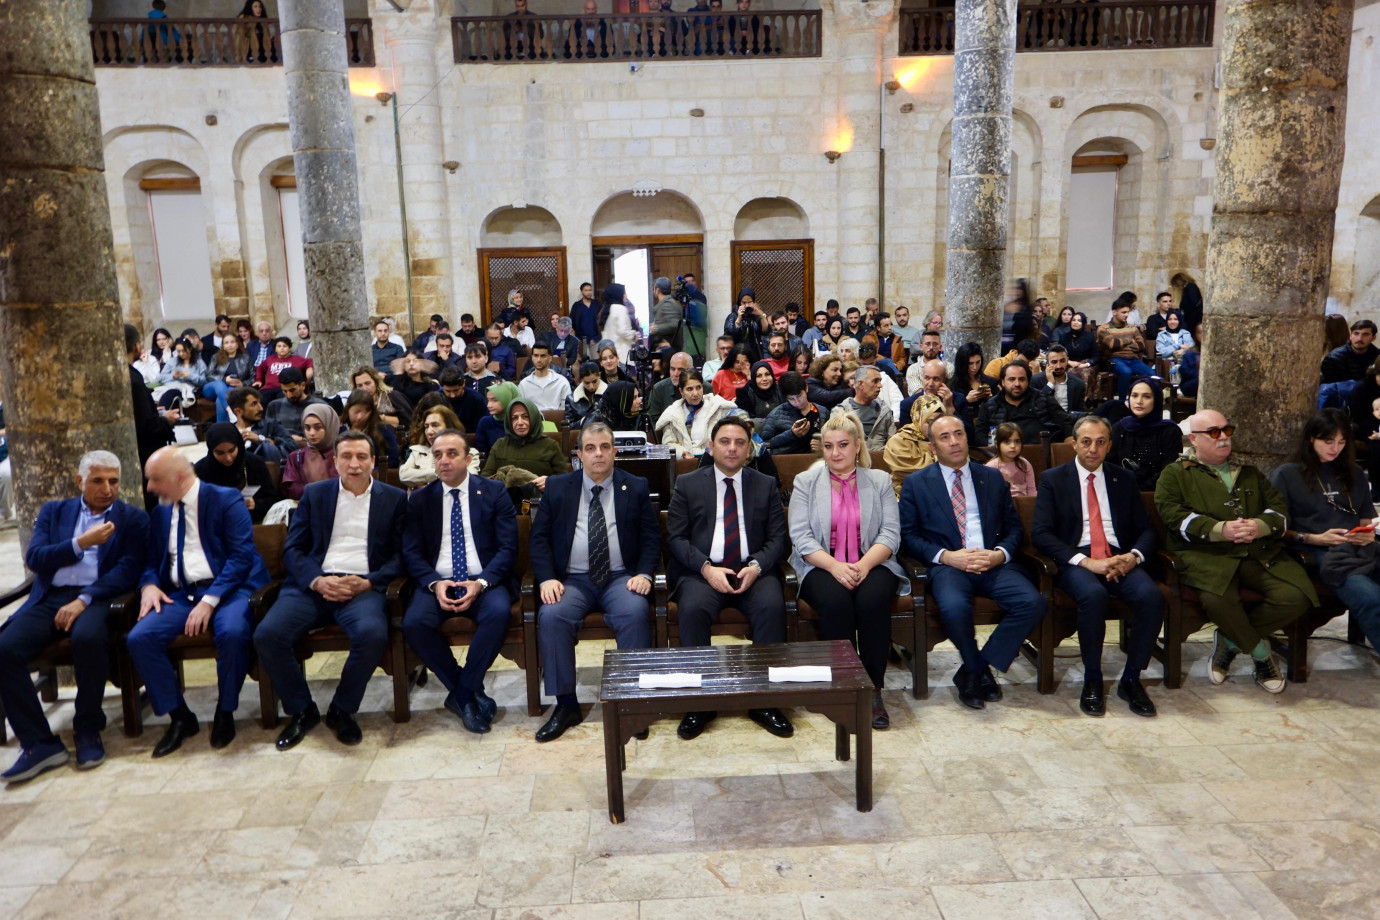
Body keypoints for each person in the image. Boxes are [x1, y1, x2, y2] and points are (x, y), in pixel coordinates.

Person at [0, 452, 148, 783]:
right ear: (80, 481)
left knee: (88, 638)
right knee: (5, 649)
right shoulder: (53, 512)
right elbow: (36, 557)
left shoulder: (133, 519)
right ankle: (39, 743)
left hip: (98, 598)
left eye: (113, 481)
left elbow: (128, 571)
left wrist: (83, 600)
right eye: (98, 481)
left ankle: (87, 729)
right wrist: (80, 543)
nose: (107, 489)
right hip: (51, 598)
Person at [255, 432, 407, 750]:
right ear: (335, 461)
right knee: (268, 634)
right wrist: (317, 580)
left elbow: (403, 555)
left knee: (372, 633)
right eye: (346, 457)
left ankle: (342, 709)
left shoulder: (393, 498)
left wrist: (369, 581)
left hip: (362, 586)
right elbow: (293, 550)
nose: (354, 464)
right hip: (314, 585)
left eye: (361, 457)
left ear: (373, 462)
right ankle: (301, 709)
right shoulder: (315, 494)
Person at [1155, 409, 1316, 693]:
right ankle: (1261, 655)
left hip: (1257, 553)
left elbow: (1279, 509)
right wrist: (1220, 530)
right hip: (1207, 557)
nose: (1223, 438)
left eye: (1227, 431)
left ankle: (1229, 643)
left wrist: (1259, 526)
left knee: (1296, 596)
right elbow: (1173, 515)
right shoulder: (1175, 474)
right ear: (1193, 439)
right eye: (1214, 433)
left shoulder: (1249, 472)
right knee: (1219, 601)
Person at [125, 448, 270, 757]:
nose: (149, 487)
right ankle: (180, 716)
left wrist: (209, 601)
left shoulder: (225, 500)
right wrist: (149, 585)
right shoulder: (162, 511)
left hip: (230, 589)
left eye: (155, 479)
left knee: (231, 633)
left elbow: (242, 557)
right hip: (180, 593)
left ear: (179, 478)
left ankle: (225, 710)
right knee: (140, 637)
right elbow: (152, 561)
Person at [899, 414, 1046, 709]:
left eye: (959, 434)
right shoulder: (917, 484)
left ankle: (974, 669)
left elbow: (1014, 527)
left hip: (992, 562)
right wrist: (947, 556)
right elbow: (907, 536)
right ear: (932, 446)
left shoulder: (991, 477)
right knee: (954, 607)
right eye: (945, 437)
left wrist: (999, 554)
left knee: (1033, 602)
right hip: (949, 566)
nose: (954, 441)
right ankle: (978, 670)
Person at [530, 423, 660, 742]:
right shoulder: (559, 488)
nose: (598, 454)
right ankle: (566, 704)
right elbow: (539, 539)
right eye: (590, 448)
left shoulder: (637, 486)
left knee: (634, 612)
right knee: (552, 615)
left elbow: (651, 537)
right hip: (573, 580)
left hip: (620, 578)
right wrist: (546, 578)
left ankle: (632, 703)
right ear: (579, 455)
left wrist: (644, 573)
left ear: (615, 452)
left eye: (604, 447)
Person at [666, 417, 792, 740]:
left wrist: (758, 566)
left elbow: (779, 540)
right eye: (724, 441)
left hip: (752, 570)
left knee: (772, 606)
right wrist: (706, 568)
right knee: (692, 609)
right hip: (703, 572)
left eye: (739, 442)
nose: (732, 448)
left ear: (749, 448)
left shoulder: (764, 484)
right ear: (711, 446)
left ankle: (764, 701)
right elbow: (676, 539)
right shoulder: (688, 483)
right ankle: (700, 702)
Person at [1032, 415, 1162, 717]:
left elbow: (1146, 529)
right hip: (1077, 560)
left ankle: (1131, 679)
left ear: (1109, 446)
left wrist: (1133, 556)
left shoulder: (1122, 479)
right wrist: (1087, 562)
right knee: (1093, 596)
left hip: (1118, 558)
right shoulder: (1054, 479)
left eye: (1101, 442)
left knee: (1151, 596)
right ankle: (1092, 679)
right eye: (1086, 441)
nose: (1093, 448)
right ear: (1074, 444)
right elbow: (1041, 533)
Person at [788, 413, 904, 730]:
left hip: (873, 561)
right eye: (828, 446)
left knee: (871, 602)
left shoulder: (879, 480)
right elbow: (801, 537)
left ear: (857, 446)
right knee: (836, 603)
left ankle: (873, 689)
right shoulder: (805, 482)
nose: (835, 453)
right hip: (821, 563)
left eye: (842, 445)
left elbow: (890, 534)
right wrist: (836, 566)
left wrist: (863, 565)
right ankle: (846, 687)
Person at [402, 429, 518, 733]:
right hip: (438, 582)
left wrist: (481, 583)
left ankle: (462, 694)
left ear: (468, 458)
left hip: (484, 581)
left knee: (498, 612)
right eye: (437, 455)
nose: (443, 461)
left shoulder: (494, 492)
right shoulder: (420, 499)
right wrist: (434, 583)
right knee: (414, 623)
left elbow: (508, 548)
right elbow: (411, 552)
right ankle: (467, 692)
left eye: (451, 454)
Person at [1273, 409, 1380, 656]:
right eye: (1328, 441)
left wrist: (1366, 534)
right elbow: (1277, 529)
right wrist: (1314, 538)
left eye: (1342, 442)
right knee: (1372, 598)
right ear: (1312, 438)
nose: (1335, 448)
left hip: (1359, 549)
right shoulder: (1288, 474)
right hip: (1318, 553)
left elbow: (1366, 520)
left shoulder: (1353, 473)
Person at [194, 423, 281, 524]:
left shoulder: (254, 463)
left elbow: (272, 498)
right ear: (211, 450)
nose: (228, 458)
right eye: (220, 453)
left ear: (238, 445)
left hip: (253, 523)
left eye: (231, 450)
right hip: (216, 526)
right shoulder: (201, 469)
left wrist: (256, 504)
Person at [975, 360, 1074, 447]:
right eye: (1012, 379)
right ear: (1003, 382)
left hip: (1042, 454)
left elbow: (1066, 423)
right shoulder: (990, 406)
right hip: (1005, 457)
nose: (1017, 384)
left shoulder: (1043, 399)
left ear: (1028, 381)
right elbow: (980, 436)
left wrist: (1066, 446)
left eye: (1021, 379)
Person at [481, 397, 569, 494]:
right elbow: (486, 478)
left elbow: (565, 481)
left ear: (534, 417)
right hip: (506, 502)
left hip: (541, 502)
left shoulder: (550, 446)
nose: (520, 423)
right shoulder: (500, 445)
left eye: (525, 416)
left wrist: (550, 482)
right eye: (514, 418)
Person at [1108, 377, 1182, 491]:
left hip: (1157, 493)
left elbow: (1169, 471)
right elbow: (1109, 464)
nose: (1139, 401)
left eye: (1147, 396)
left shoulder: (1169, 431)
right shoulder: (1120, 427)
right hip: (1122, 490)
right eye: (1134, 395)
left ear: (1156, 400)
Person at [126, 324, 176, 476]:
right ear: (136, 346)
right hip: (145, 452)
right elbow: (147, 424)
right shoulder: (133, 378)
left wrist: (155, 412)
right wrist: (166, 420)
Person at [657, 369, 741, 458]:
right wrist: (683, 453)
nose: (695, 393)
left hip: (713, 460)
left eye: (698, 387)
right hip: (686, 463)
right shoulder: (672, 413)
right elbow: (668, 443)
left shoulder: (717, 407)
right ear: (681, 391)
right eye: (689, 389)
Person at [882, 393, 947, 498]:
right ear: (918, 419)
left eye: (939, 421)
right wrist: (938, 459)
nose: (935, 426)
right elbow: (909, 472)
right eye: (929, 422)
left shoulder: (948, 439)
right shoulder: (899, 441)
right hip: (906, 493)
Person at [281, 404, 341, 501]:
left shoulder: (343, 455)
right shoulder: (296, 457)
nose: (312, 433)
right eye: (307, 428)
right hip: (305, 506)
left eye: (318, 428)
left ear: (330, 426)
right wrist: (317, 491)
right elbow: (291, 489)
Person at [1097, 302, 1154, 401]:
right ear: (1114, 312)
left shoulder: (1132, 328)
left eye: (1128, 312)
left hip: (1133, 360)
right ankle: (1122, 402)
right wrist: (1130, 341)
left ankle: (1146, 400)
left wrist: (1121, 345)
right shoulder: (1104, 329)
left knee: (1151, 374)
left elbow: (1141, 346)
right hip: (1115, 360)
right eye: (1123, 312)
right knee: (1126, 372)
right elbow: (1112, 344)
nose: (1126, 315)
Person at [228, 386, 297, 464]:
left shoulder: (271, 425)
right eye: (254, 404)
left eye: (259, 403)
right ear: (238, 411)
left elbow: (292, 447)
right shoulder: (227, 432)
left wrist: (261, 440)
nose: (261, 408)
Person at [831, 366, 894, 451]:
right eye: (875, 381)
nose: (880, 385)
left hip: (881, 460)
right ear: (861, 384)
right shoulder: (840, 412)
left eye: (880, 381)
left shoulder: (885, 411)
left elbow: (893, 444)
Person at [399, 404, 462, 487]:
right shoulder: (417, 452)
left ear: (449, 426)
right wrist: (438, 473)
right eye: (426, 427)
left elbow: (464, 478)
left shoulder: (467, 453)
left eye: (435, 425)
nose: (429, 432)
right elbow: (404, 475)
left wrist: (423, 482)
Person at [760, 372, 821, 455]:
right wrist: (791, 434)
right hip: (787, 463)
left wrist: (823, 445)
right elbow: (764, 445)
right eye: (791, 399)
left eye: (799, 396)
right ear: (786, 398)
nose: (797, 402)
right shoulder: (775, 415)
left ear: (806, 388)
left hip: (816, 462)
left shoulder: (822, 411)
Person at [344, 389, 400, 469]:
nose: (360, 417)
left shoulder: (383, 430)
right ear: (347, 407)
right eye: (356, 412)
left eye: (365, 412)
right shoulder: (340, 429)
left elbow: (393, 459)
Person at [263, 367, 324, 439]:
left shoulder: (319, 406)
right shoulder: (274, 406)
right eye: (285, 391)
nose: (289, 395)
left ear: (303, 385)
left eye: (292, 390)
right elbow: (268, 434)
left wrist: (302, 440)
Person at [203, 333, 251, 422]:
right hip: (212, 388)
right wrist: (224, 380)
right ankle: (230, 410)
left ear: (237, 344)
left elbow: (253, 377)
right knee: (220, 384)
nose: (230, 345)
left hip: (232, 389)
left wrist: (243, 383)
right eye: (226, 343)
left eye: (232, 342)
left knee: (219, 400)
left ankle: (222, 430)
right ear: (223, 346)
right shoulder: (216, 357)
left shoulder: (245, 358)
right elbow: (208, 375)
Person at [350, 365, 413, 431]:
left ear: (376, 383)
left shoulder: (392, 396)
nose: (364, 388)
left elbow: (410, 421)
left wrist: (380, 418)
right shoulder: (356, 404)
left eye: (367, 383)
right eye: (360, 386)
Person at [985, 422, 1037, 498]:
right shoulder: (990, 467)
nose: (1013, 446)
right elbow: (989, 493)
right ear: (997, 444)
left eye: (1017, 441)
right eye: (1007, 442)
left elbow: (1031, 490)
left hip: (1024, 504)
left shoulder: (1025, 464)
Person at [255, 336, 314, 403]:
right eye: (279, 346)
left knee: (282, 402)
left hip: (285, 389)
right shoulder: (270, 359)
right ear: (275, 349)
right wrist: (258, 380)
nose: (282, 348)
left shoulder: (296, 359)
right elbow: (260, 368)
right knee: (260, 400)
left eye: (284, 346)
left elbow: (310, 361)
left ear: (289, 348)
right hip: (268, 388)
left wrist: (309, 368)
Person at [1030, 345, 1085, 415]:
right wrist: (1050, 384)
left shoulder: (1078, 384)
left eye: (1062, 361)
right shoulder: (1036, 380)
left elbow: (1080, 412)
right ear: (1047, 363)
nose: (1059, 366)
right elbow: (1034, 407)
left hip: (1069, 422)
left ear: (1067, 360)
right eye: (1054, 362)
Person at [517, 342, 573, 412]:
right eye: (536, 356)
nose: (539, 360)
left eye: (543, 356)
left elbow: (566, 409)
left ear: (550, 358)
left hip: (557, 421)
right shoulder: (523, 384)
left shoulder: (562, 382)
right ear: (532, 358)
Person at [1320, 319, 1380, 384]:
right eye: (1356, 333)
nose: (1359, 338)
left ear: (1373, 337)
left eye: (1365, 334)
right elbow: (1326, 388)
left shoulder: (1377, 356)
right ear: (1350, 336)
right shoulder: (1333, 358)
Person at [645, 351, 694, 427]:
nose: (675, 374)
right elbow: (653, 423)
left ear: (691, 369)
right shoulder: (658, 389)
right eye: (672, 369)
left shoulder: (705, 388)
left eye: (680, 369)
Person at [474, 381, 519, 455]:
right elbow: (481, 453)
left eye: (494, 400)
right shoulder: (485, 422)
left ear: (508, 398)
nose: (489, 405)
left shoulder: (522, 422)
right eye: (488, 400)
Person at [600, 283, 639, 364]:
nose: (626, 295)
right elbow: (623, 331)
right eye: (624, 293)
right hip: (621, 352)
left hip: (609, 352)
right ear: (618, 294)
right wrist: (633, 335)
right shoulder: (620, 308)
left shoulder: (607, 308)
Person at [564, 361, 606, 429]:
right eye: (587, 383)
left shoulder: (609, 394)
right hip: (581, 436)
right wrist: (583, 422)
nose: (591, 386)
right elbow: (568, 427)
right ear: (581, 380)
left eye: (594, 381)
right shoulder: (571, 399)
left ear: (600, 375)